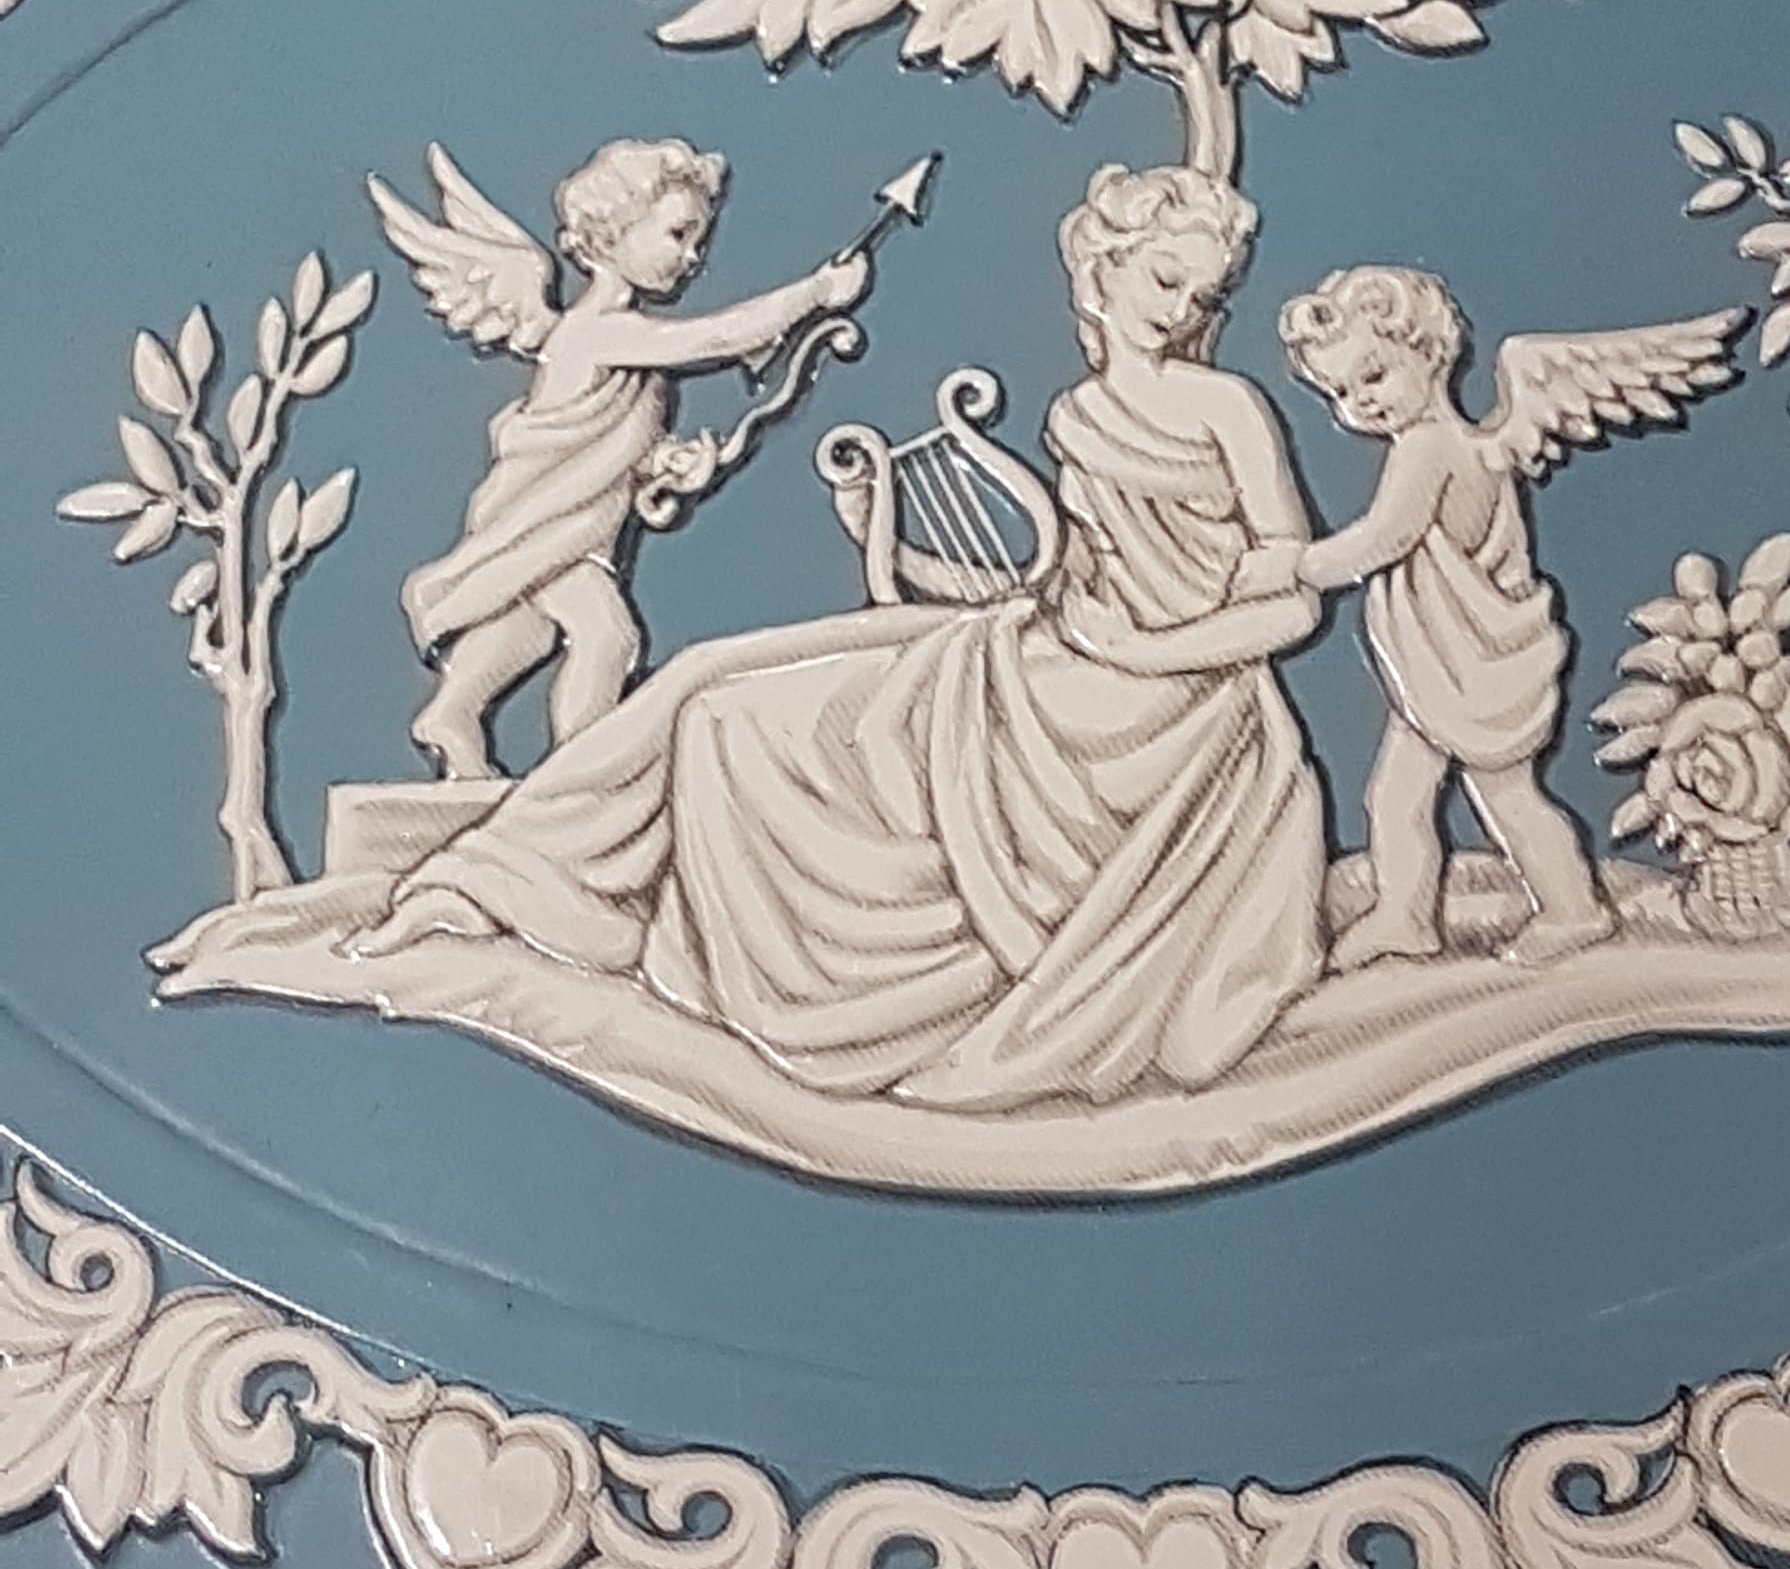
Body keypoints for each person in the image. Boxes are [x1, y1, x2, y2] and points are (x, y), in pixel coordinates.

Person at [343, 162, 1331, 1113]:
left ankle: (711, 957)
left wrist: (1144, 653)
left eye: (1201, 295)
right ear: (1102, 270)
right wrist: (890, 544)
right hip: (1050, 662)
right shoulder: (1080, 414)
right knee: (712, 685)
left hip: (1167, 713)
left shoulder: (1228, 408)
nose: (1180, 310)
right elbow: (1057, 588)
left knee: (755, 717)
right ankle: (508, 885)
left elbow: (1294, 610)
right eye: (1165, 279)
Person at [375, 138, 870, 776]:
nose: (692, 257)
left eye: (698, 240)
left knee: (527, 627)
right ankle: (582, 775)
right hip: (544, 516)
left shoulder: (624, 348)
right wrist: (818, 292)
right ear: (613, 233)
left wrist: (663, 464)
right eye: (678, 234)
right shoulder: (597, 333)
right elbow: (716, 337)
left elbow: (611, 441)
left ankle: (453, 714)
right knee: (607, 635)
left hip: (581, 522)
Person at [1256, 264, 1615, 968]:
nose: (1360, 402)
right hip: (1435, 670)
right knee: (1396, 797)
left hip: (1475, 667)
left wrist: (1296, 565)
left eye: (1373, 375)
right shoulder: (1437, 444)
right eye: (1339, 392)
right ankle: (1406, 915)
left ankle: (1575, 908)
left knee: (1506, 795)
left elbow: (1382, 540)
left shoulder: (1431, 449)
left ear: (1429, 351)